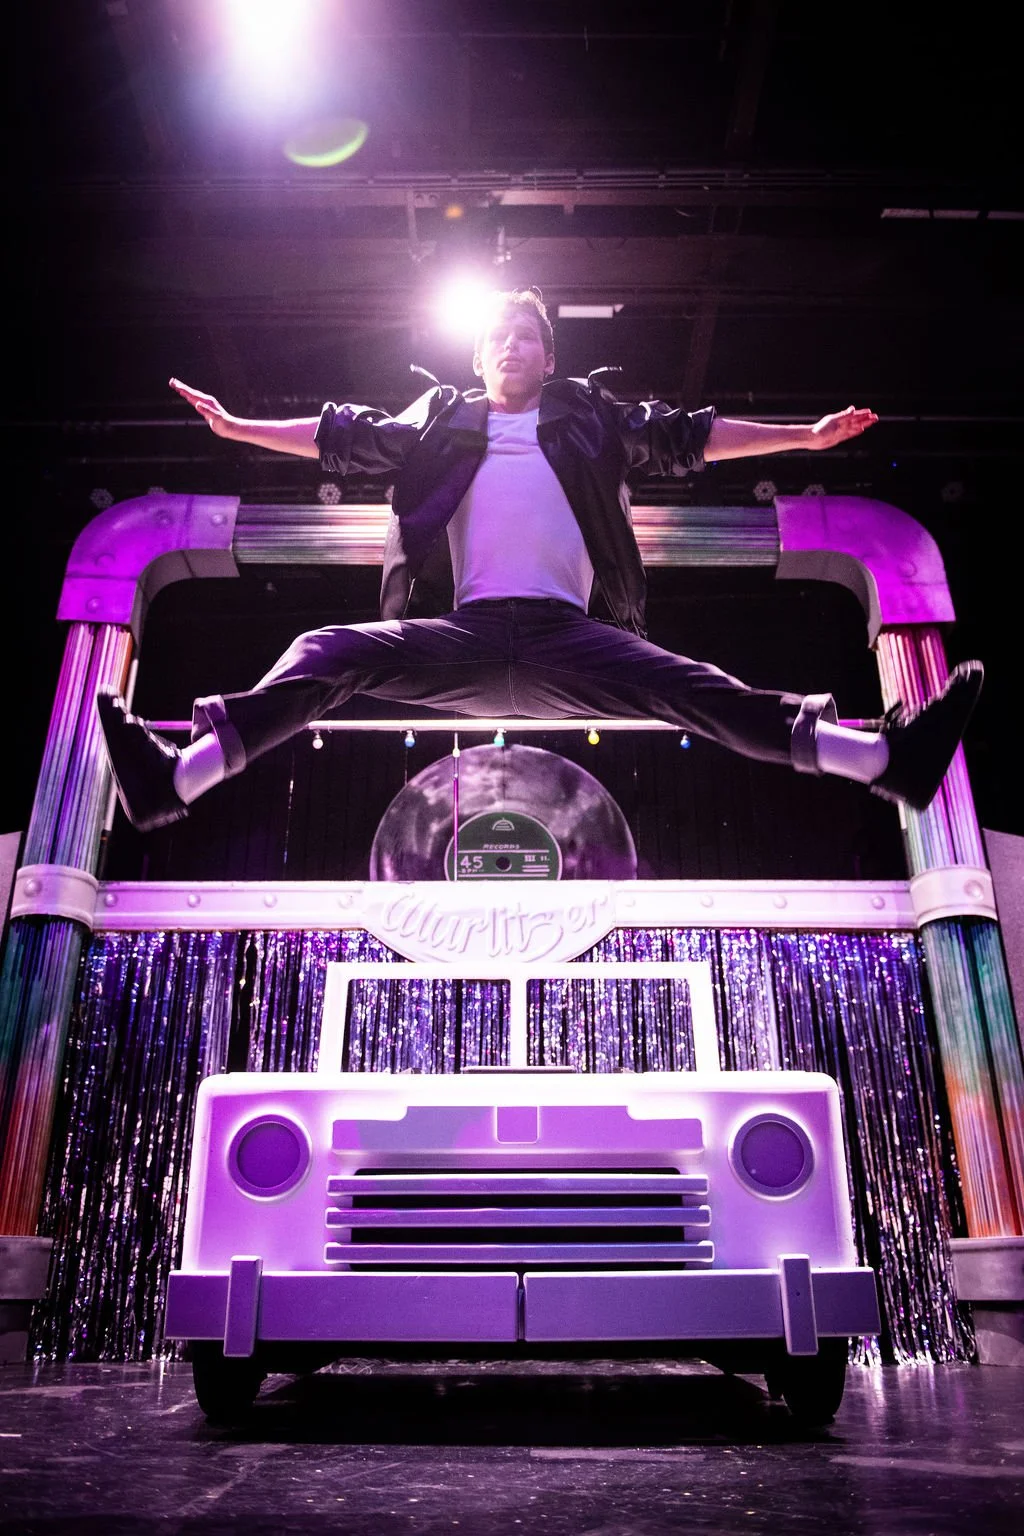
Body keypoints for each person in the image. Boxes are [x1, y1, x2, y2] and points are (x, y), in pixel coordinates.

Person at [98, 287, 982, 833]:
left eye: (526, 336)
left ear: (549, 356)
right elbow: (346, 438)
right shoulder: (440, 420)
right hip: (463, 640)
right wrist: (238, 428)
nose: (512, 346)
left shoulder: (592, 417)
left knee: (699, 688)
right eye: (499, 337)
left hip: (570, 642)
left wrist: (806, 437)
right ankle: (173, 779)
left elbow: (690, 436)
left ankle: (887, 763)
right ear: (480, 356)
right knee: (325, 651)